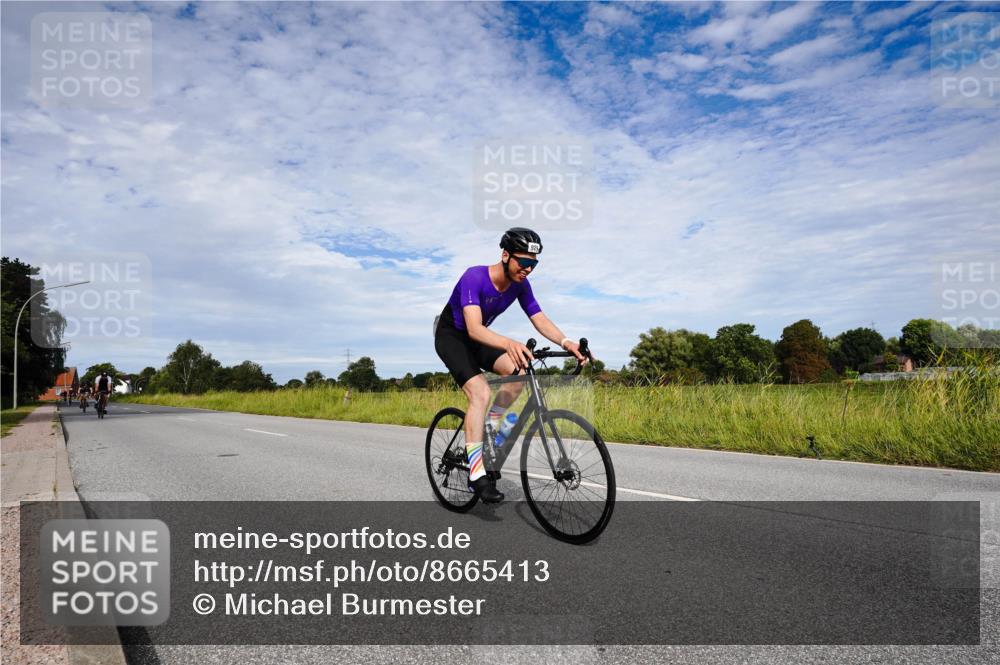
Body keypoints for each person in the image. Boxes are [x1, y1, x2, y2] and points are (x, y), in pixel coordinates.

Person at [434, 227, 587, 503]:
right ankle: (476, 472)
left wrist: (567, 342)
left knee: (518, 372)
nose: (528, 269)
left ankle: (490, 427)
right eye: (523, 262)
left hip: (479, 337)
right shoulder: (475, 277)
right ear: (505, 255)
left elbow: (539, 317)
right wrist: (507, 343)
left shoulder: (520, 285)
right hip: (453, 337)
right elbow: (473, 329)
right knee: (480, 392)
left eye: (534, 264)